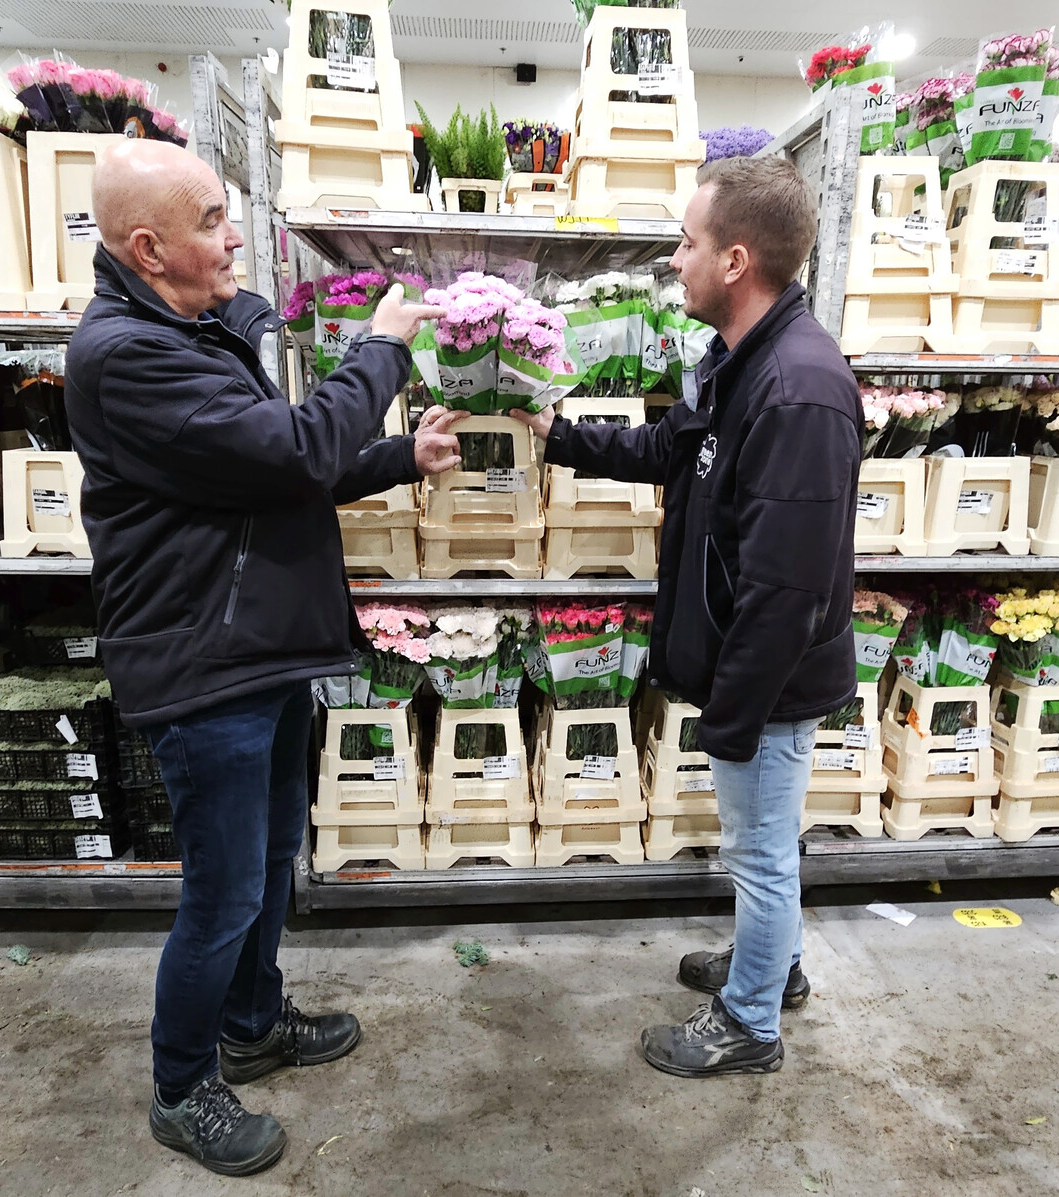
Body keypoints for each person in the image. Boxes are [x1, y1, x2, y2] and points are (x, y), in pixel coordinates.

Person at [64, 139, 458, 1175]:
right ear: (146, 248)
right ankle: (182, 1085)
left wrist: (398, 455)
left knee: (272, 859)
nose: (234, 236)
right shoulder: (128, 356)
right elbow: (293, 450)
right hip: (205, 665)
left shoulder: (187, 330)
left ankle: (250, 1021)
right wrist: (381, 352)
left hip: (256, 650)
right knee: (223, 894)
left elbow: (270, 469)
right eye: (210, 220)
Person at [515, 156, 862, 1078]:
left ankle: (750, 1020)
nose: (675, 260)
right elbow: (669, 447)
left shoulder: (797, 389)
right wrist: (560, 435)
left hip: (772, 687)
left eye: (687, 242)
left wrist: (734, 715)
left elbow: (787, 591)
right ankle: (774, 964)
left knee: (759, 852)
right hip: (748, 675)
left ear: (736, 260)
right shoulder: (736, 362)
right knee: (764, 846)